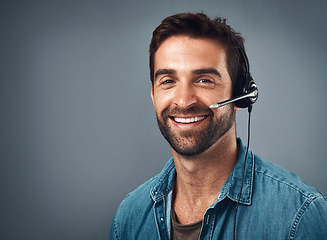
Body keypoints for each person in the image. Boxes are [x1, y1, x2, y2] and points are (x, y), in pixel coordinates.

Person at [109, 13, 327, 240]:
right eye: (168, 81)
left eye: (204, 80)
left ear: (240, 96)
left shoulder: (300, 215)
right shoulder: (128, 218)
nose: (184, 101)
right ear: (153, 95)